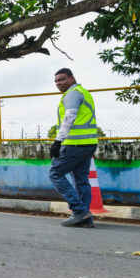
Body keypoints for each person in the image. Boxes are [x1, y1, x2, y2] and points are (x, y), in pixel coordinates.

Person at [48, 68, 98, 227]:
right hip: (88, 143)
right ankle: (85, 219)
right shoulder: (83, 92)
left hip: (75, 145)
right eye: (56, 81)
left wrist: (57, 141)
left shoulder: (73, 94)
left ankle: (79, 211)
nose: (58, 83)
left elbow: (70, 116)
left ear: (72, 78)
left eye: (62, 79)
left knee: (55, 173)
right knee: (81, 180)